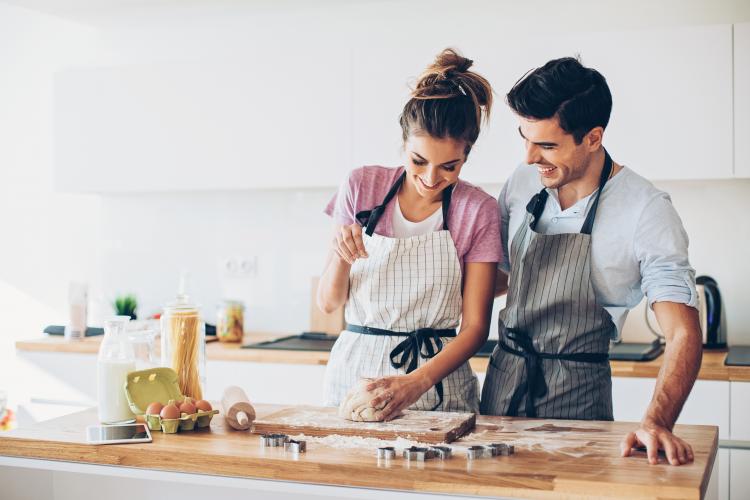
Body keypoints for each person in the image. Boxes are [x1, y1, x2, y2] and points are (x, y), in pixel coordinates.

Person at [480, 57, 703, 466]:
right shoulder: (524, 179)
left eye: (547, 145)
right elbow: (499, 276)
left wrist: (656, 422)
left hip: (579, 402)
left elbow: (683, 334)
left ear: (593, 137)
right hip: (500, 391)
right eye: (525, 139)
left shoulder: (646, 210)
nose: (530, 157)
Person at [318, 48, 501, 419]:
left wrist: (416, 383)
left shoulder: (477, 209)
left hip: (437, 381)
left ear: (467, 156)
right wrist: (340, 252)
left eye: (450, 166)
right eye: (419, 161)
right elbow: (328, 302)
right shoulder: (361, 186)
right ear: (403, 144)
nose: (432, 179)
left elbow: (476, 327)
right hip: (356, 376)